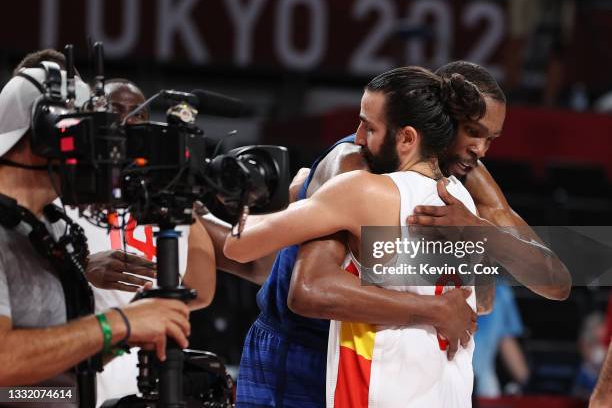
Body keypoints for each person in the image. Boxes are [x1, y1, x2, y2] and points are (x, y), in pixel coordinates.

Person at [200, 60, 571, 407]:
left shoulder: (464, 185)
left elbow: (548, 285)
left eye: (491, 138)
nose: (482, 150)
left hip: (374, 354)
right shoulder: (359, 162)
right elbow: (309, 289)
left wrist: (479, 236)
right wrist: (435, 307)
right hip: (301, 346)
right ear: (439, 117)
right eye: (473, 133)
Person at [0, 65, 190, 406]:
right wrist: (118, 323)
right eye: (93, 137)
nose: (105, 158)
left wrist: (125, 337)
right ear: (47, 133)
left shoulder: (52, 227)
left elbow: (53, 378)